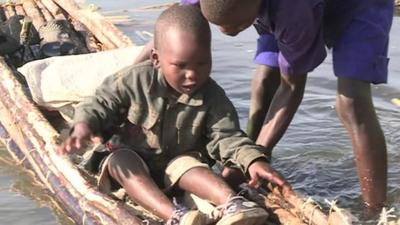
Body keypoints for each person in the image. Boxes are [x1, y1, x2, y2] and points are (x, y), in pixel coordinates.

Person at [58, 4, 291, 225]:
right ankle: (177, 216)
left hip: (178, 168)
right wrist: (83, 126)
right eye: (181, 66)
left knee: (191, 165)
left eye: (202, 64)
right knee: (120, 160)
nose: (192, 75)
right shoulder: (133, 81)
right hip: (134, 164)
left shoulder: (212, 97)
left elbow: (228, 137)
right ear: (157, 60)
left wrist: (253, 159)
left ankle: (234, 204)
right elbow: (100, 103)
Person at [195, 0, 394, 213]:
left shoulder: (293, 11)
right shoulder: (243, 9)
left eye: (238, 24)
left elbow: (292, 87)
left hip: (358, 6)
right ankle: (249, 165)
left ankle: (375, 209)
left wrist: (255, 156)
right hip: (277, 9)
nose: (227, 32)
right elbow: (181, 17)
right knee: (264, 80)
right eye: (218, 24)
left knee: (351, 102)